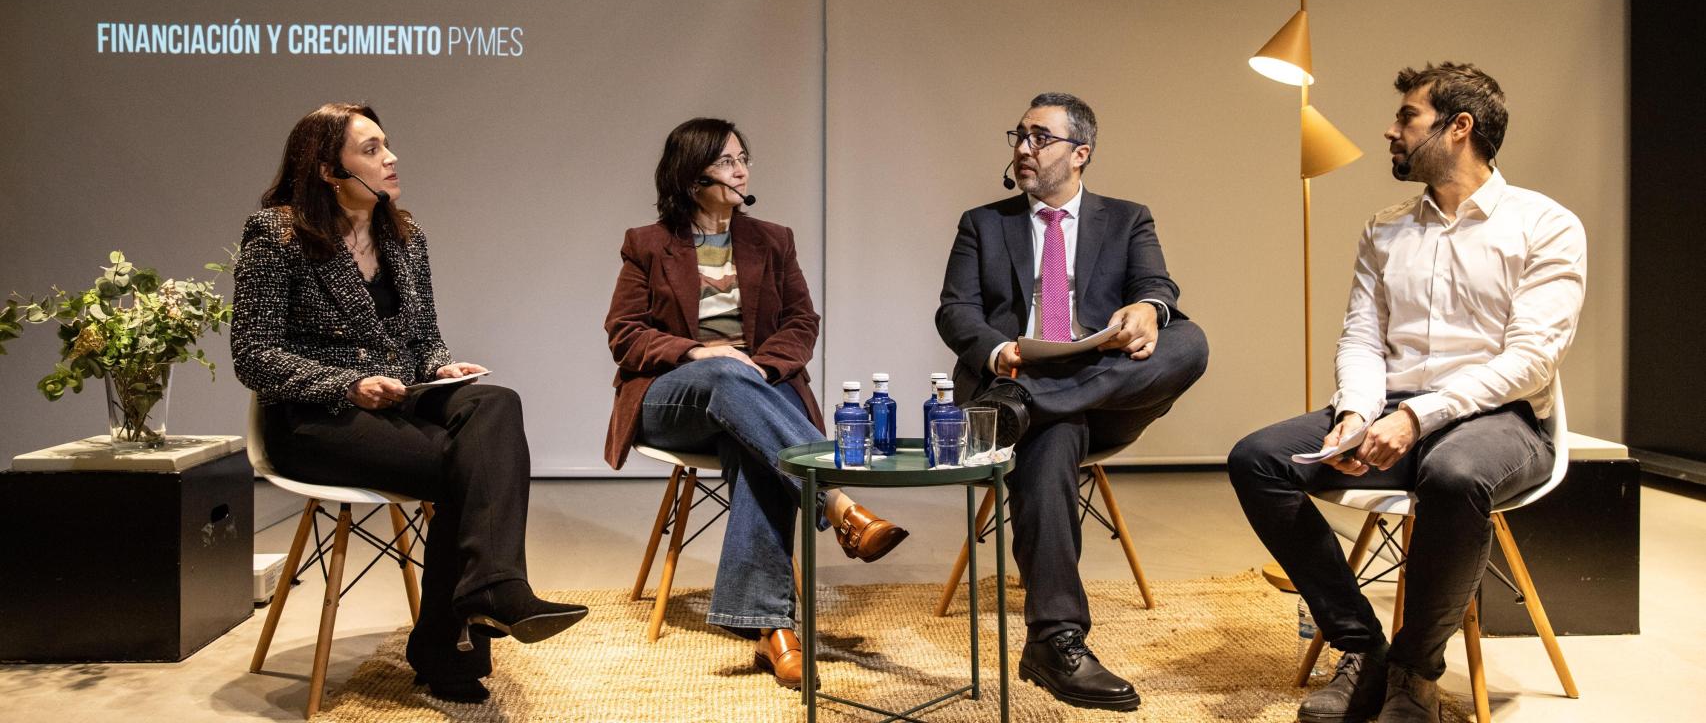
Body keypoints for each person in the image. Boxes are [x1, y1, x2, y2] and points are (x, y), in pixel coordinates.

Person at [1228, 63, 1586, 723]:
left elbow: (1531, 360)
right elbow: (1363, 337)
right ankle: (1362, 648)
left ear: (1458, 128)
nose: (1389, 130)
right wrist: (1357, 412)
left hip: (1503, 421)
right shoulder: (1386, 227)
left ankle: (1415, 673)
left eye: (1407, 118)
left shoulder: (1546, 225)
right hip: (1394, 409)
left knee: (1454, 475)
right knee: (1257, 459)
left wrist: (1417, 417)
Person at [231, 103, 585, 705]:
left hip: (400, 402)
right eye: (370, 150)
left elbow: (421, 338)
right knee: (464, 472)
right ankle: (454, 633)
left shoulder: (406, 234)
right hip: (315, 417)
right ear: (326, 169)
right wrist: (346, 385)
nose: (390, 158)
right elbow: (254, 354)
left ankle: (489, 593)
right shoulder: (278, 234)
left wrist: (441, 368)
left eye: (387, 144)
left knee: (495, 403)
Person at [604, 117, 908, 690]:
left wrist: (761, 368)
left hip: (755, 399)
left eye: (744, 157)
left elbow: (801, 322)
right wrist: (700, 352)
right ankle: (837, 503)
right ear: (691, 175)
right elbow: (625, 334)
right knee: (723, 373)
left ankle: (772, 631)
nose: (741, 169)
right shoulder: (647, 243)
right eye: (725, 161)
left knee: (756, 450)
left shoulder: (772, 239)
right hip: (672, 400)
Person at [936, 92, 1210, 712]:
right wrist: (1001, 353)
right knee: (1052, 438)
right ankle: (1055, 639)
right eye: (1019, 136)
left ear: (1080, 153)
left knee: (1189, 339)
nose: (1022, 148)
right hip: (1019, 372)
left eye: (1039, 138)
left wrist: (1147, 310)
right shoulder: (985, 223)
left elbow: (1156, 286)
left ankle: (1030, 400)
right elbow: (956, 312)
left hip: (1097, 386)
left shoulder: (1127, 217)